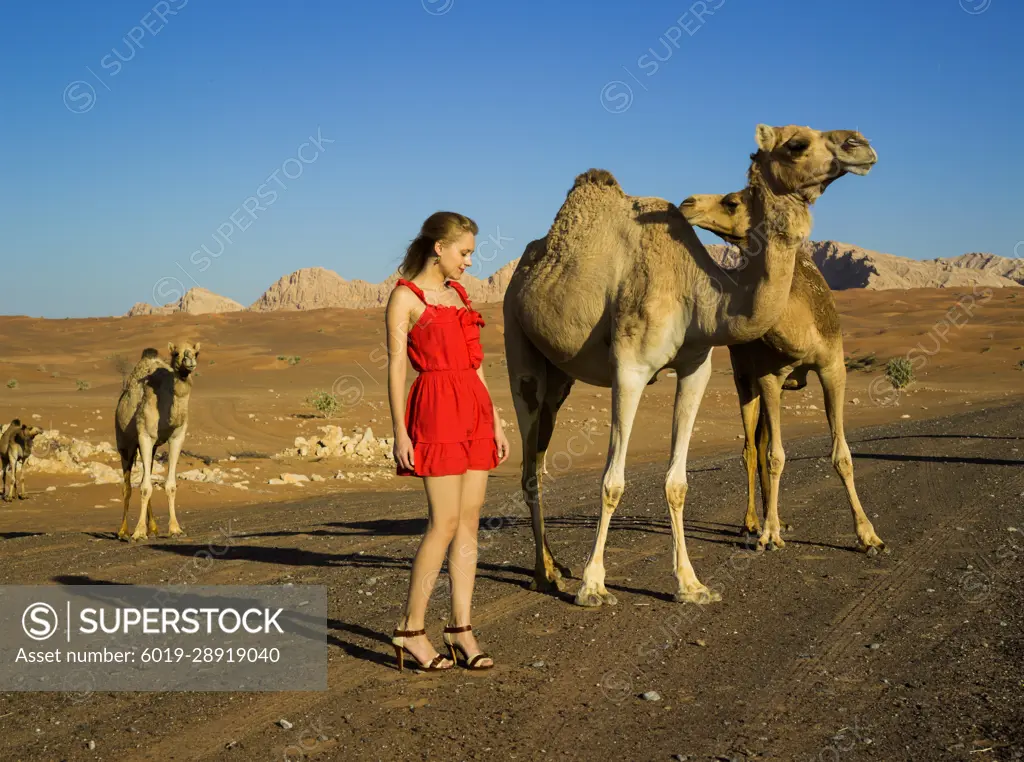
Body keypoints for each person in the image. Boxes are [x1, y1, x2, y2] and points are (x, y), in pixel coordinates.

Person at [386, 211, 511, 672]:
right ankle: (410, 629)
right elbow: (397, 368)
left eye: (472, 254)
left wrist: (495, 420)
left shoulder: (459, 294)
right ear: (439, 248)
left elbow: (476, 365)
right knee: (444, 522)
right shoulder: (405, 298)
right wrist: (400, 430)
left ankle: (460, 628)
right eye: (464, 252)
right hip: (435, 409)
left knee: (470, 521)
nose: (469, 262)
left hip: (473, 410)